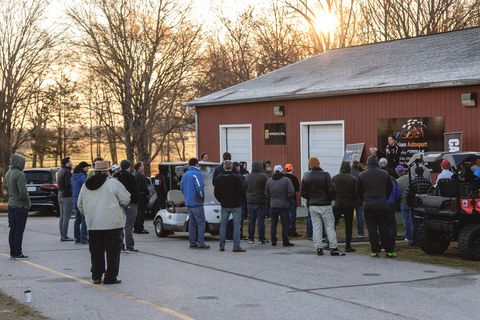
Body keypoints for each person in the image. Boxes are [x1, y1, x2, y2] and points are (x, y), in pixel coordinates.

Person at [77, 161, 130, 284]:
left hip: (94, 224)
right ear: (108, 171)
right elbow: (126, 199)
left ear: (94, 171)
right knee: (113, 252)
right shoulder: (113, 184)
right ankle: (110, 277)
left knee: (96, 252)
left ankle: (96, 275)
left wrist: (89, 214)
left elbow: (80, 205)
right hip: (113, 223)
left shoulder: (85, 186)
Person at [301, 157, 344, 256]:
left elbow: (303, 192)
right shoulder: (325, 174)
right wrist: (330, 198)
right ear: (319, 163)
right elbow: (332, 189)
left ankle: (319, 248)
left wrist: (310, 198)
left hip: (313, 204)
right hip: (325, 204)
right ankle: (333, 248)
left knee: (316, 227)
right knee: (329, 226)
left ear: (310, 165)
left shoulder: (306, 176)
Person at [357, 155, 395, 258]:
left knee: (371, 228)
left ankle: (375, 250)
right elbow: (389, 189)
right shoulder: (385, 174)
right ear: (377, 163)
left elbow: (359, 191)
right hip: (382, 204)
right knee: (384, 228)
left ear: (368, 163)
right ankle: (389, 250)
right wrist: (384, 197)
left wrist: (364, 199)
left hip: (368, 205)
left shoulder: (362, 175)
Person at [214, 160, 247, 252]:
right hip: (236, 204)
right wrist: (243, 201)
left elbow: (216, 193)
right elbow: (241, 191)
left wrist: (221, 200)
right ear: (231, 167)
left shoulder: (218, 178)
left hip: (225, 204)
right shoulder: (236, 178)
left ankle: (222, 245)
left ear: (223, 167)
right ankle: (236, 246)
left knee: (223, 225)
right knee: (237, 225)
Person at [5, 154, 31, 260]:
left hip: (11, 204)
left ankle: (12, 253)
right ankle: (18, 253)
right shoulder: (20, 174)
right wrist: (27, 203)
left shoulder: (8, 173)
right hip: (20, 206)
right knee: (19, 231)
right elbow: (23, 192)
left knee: (13, 230)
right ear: (19, 162)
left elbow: (5, 187)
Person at [181, 158, 210, 249]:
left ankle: (192, 242)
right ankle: (201, 242)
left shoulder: (185, 175)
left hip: (188, 202)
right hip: (196, 202)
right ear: (196, 164)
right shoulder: (197, 174)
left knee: (192, 223)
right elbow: (200, 188)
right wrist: (201, 198)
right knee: (201, 223)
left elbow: (181, 188)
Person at [265, 165, 294, 247]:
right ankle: (285, 241)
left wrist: (271, 199)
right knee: (285, 224)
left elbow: (266, 193)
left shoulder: (269, 181)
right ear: (281, 171)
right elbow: (291, 192)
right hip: (284, 205)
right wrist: (288, 200)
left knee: (273, 224)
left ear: (274, 171)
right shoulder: (286, 180)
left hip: (273, 205)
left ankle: (273, 241)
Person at [332, 161, 357, 252]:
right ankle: (348, 245)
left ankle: (330, 243)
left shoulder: (335, 178)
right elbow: (355, 193)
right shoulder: (353, 179)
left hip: (338, 203)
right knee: (348, 225)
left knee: (333, 224)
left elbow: (332, 191)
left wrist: (335, 199)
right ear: (349, 168)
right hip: (349, 204)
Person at [116, 160, 139, 252]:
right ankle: (130, 245)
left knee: (120, 225)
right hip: (130, 202)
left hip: (119, 203)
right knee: (129, 225)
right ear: (129, 167)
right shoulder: (131, 177)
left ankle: (120, 244)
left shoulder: (116, 176)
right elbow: (134, 190)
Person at [406, 167, 432, 245]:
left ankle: (414, 239)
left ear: (415, 173)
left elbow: (407, 193)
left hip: (415, 204)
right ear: (423, 172)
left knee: (414, 223)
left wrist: (409, 203)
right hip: (425, 205)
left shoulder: (413, 182)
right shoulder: (427, 182)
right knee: (423, 222)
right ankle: (424, 238)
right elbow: (431, 192)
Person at [244, 161, 268, 244]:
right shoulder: (263, 177)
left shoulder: (247, 177)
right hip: (261, 201)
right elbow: (266, 188)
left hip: (250, 201)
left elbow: (245, 188)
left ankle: (251, 238)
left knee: (251, 220)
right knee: (261, 221)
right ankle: (261, 238)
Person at [379, 158, 401, 246]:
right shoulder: (392, 178)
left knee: (381, 224)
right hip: (390, 203)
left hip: (380, 203)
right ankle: (391, 244)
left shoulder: (377, 178)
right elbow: (397, 193)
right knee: (391, 224)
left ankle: (382, 243)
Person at [72, 161, 90, 244]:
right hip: (82, 200)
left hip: (75, 199)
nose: (88, 168)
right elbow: (86, 187)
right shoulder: (82, 176)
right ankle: (84, 238)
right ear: (83, 168)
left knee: (77, 220)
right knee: (84, 220)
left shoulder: (73, 176)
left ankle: (77, 237)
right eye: (87, 167)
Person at [57, 157, 74, 241]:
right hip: (67, 195)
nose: (71, 163)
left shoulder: (60, 171)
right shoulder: (67, 171)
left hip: (60, 194)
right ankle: (64, 236)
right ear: (67, 163)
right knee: (66, 217)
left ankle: (62, 235)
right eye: (70, 162)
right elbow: (68, 184)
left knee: (62, 217)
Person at [396, 165, 413, 244]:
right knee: (413, 220)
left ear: (398, 172)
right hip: (413, 202)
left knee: (406, 220)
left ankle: (408, 236)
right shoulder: (412, 178)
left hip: (403, 202)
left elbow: (397, 194)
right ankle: (414, 235)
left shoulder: (398, 181)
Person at [284, 163, 301, 237]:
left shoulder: (283, 178)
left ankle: (286, 231)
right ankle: (292, 231)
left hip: (284, 200)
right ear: (291, 169)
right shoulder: (294, 178)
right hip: (292, 199)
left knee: (286, 216)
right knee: (293, 215)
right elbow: (297, 189)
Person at [233, 161, 248, 240]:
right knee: (239, 219)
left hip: (233, 200)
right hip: (239, 201)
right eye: (238, 166)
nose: (239, 167)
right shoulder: (238, 176)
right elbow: (243, 188)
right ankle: (240, 234)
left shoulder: (231, 175)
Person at [133, 161, 149, 234]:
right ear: (139, 167)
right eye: (142, 165)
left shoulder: (134, 175)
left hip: (136, 196)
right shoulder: (140, 175)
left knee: (137, 213)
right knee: (141, 212)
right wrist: (147, 192)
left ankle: (136, 227)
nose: (143, 167)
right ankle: (140, 228)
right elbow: (144, 186)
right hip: (142, 196)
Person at [351, 160, 364, 237]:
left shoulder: (348, 174)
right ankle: (360, 233)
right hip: (359, 198)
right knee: (360, 216)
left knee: (349, 216)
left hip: (350, 198)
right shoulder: (361, 175)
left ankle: (349, 232)